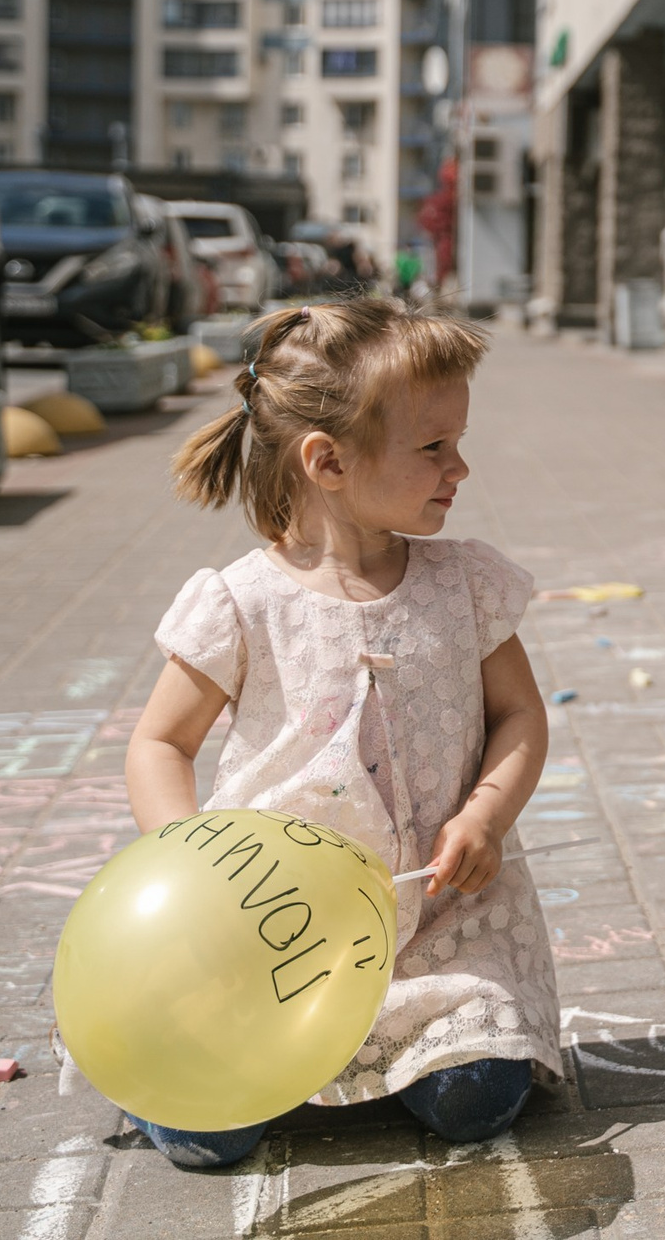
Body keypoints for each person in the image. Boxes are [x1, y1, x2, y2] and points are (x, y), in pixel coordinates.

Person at [125, 301, 560, 1168]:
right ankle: (201, 1059)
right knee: (206, 1136)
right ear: (327, 460)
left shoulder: (464, 583)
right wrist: (187, 859)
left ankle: (407, 1051)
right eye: (432, 446)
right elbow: (159, 744)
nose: (459, 466)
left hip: (439, 930)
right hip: (268, 938)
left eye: (458, 441)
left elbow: (520, 715)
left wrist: (484, 814)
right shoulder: (244, 601)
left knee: (478, 1098)